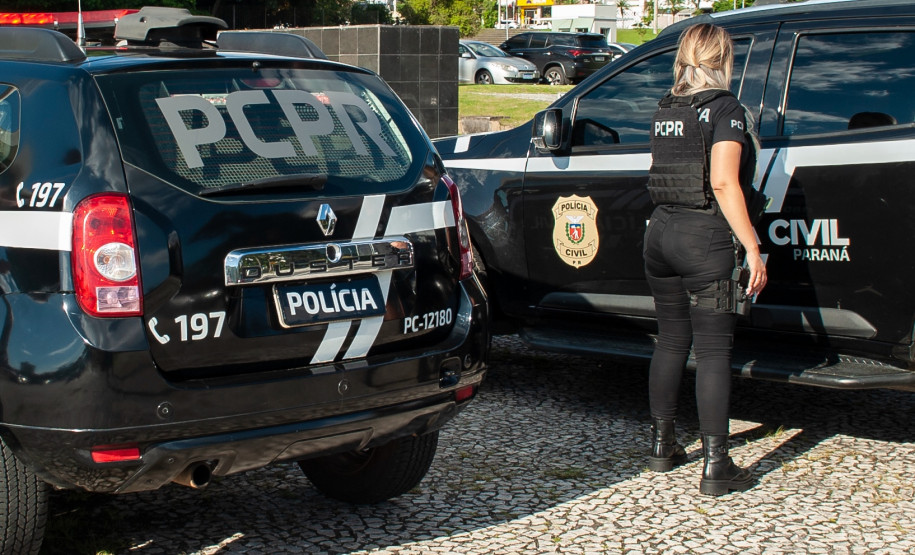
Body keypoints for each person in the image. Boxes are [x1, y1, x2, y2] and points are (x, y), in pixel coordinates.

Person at [642, 23, 767, 496]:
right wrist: (752, 247)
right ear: (724, 59)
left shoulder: (667, 108)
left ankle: (662, 446)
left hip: (660, 235)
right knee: (713, 351)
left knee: (671, 341)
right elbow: (723, 181)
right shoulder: (725, 109)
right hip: (705, 237)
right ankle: (717, 466)